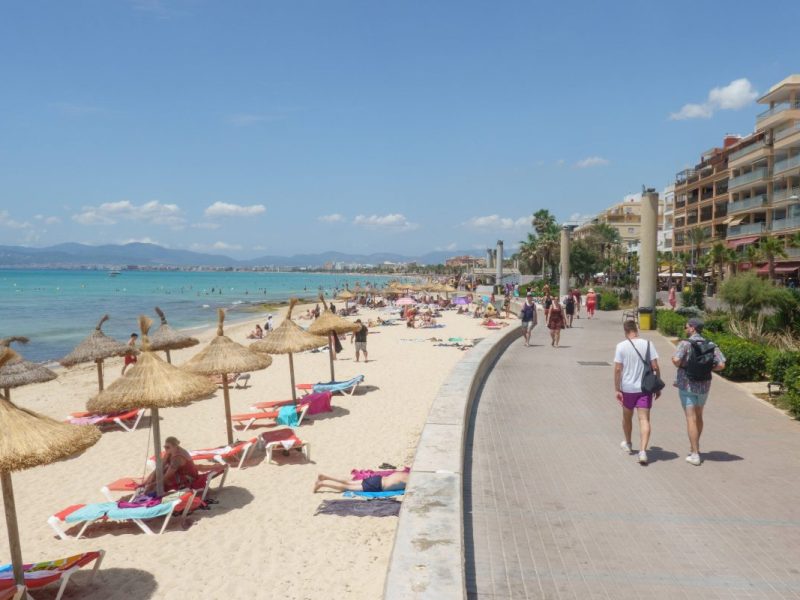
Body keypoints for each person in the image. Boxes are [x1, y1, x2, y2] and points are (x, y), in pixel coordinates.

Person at [671, 318, 726, 466]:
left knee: (691, 418)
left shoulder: (685, 343)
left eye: (686, 327)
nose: (685, 329)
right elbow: (721, 365)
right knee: (699, 416)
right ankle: (694, 447)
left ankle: (695, 454)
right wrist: (707, 369)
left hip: (687, 385)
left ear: (692, 328)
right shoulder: (711, 344)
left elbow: (676, 360)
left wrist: (679, 362)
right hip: (704, 386)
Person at [614, 320, 661, 465]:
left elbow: (618, 369)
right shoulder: (648, 344)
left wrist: (617, 388)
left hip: (628, 388)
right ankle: (643, 451)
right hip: (644, 388)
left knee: (627, 417)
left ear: (625, 331)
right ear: (636, 329)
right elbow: (655, 366)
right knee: (644, 419)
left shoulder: (621, 346)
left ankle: (628, 443)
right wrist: (657, 386)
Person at [314, 470, 409, 493]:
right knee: (347, 488)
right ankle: (322, 484)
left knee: (349, 482)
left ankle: (325, 477)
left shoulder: (406, 474)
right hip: (378, 486)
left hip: (377, 478)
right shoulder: (409, 482)